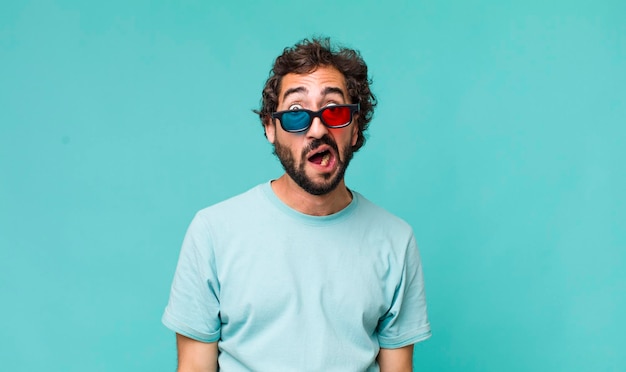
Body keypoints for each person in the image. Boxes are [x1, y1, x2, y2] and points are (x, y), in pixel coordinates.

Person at [162, 37, 431, 371]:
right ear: (270, 129)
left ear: (356, 128)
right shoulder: (213, 232)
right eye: (295, 114)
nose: (317, 128)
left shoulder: (395, 240)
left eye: (334, 111)